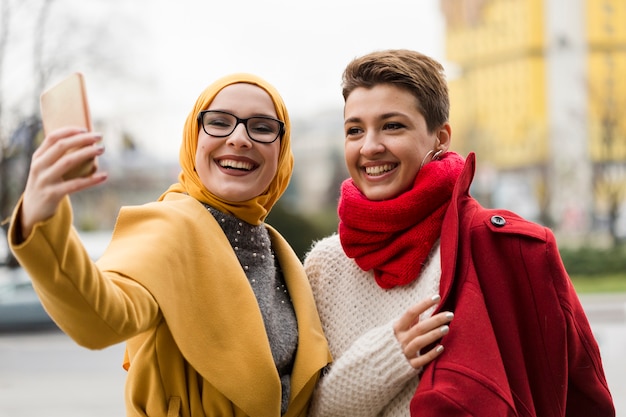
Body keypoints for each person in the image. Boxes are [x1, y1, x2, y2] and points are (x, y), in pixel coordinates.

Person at [303, 49, 615, 417]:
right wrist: (389, 356)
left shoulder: (512, 247)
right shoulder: (324, 267)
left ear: (440, 137)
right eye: (355, 130)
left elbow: (581, 398)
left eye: (392, 126)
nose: (370, 146)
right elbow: (304, 410)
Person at [8, 73, 331, 416]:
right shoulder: (169, 227)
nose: (239, 139)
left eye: (263, 128)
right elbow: (99, 317)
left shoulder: (280, 252)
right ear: (194, 139)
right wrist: (41, 219)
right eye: (219, 122)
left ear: (283, 151)